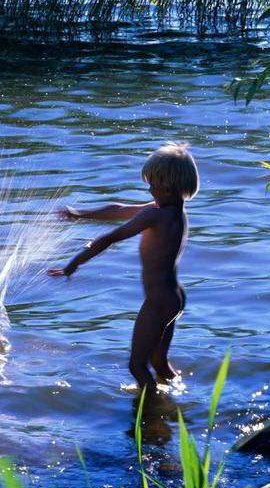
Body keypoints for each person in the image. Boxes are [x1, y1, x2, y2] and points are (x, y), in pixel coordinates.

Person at [48, 142, 199, 392]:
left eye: (152, 183)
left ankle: (152, 413)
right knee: (158, 362)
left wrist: (72, 265)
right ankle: (180, 401)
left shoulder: (156, 215)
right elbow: (119, 210)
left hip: (159, 300)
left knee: (137, 366)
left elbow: (110, 238)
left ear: (168, 186)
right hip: (174, 296)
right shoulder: (171, 211)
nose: (149, 188)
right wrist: (80, 213)